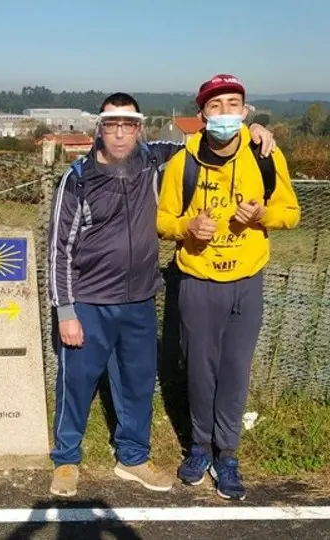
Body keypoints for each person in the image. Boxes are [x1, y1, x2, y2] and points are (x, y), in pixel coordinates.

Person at [46, 92, 276, 497]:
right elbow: (59, 248)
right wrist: (66, 310)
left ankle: (132, 458)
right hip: (88, 302)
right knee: (77, 382)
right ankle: (67, 459)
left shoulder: (156, 159)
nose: (120, 135)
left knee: (136, 384)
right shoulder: (77, 177)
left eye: (128, 125)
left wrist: (251, 129)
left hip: (140, 300)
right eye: (112, 125)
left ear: (139, 128)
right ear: (99, 129)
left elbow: (210, 139)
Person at [157, 74, 300, 501]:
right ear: (201, 115)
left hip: (246, 280)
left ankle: (229, 454)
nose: (225, 113)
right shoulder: (182, 163)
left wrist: (261, 217)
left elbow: (291, 212)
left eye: (233, 104)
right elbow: (162, 220)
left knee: (235, 371)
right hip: (198, 281)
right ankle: (200, 448)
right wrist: (187, 227)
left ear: (245, 111)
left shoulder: (266, 155)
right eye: (216, 106)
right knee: (200, 371)